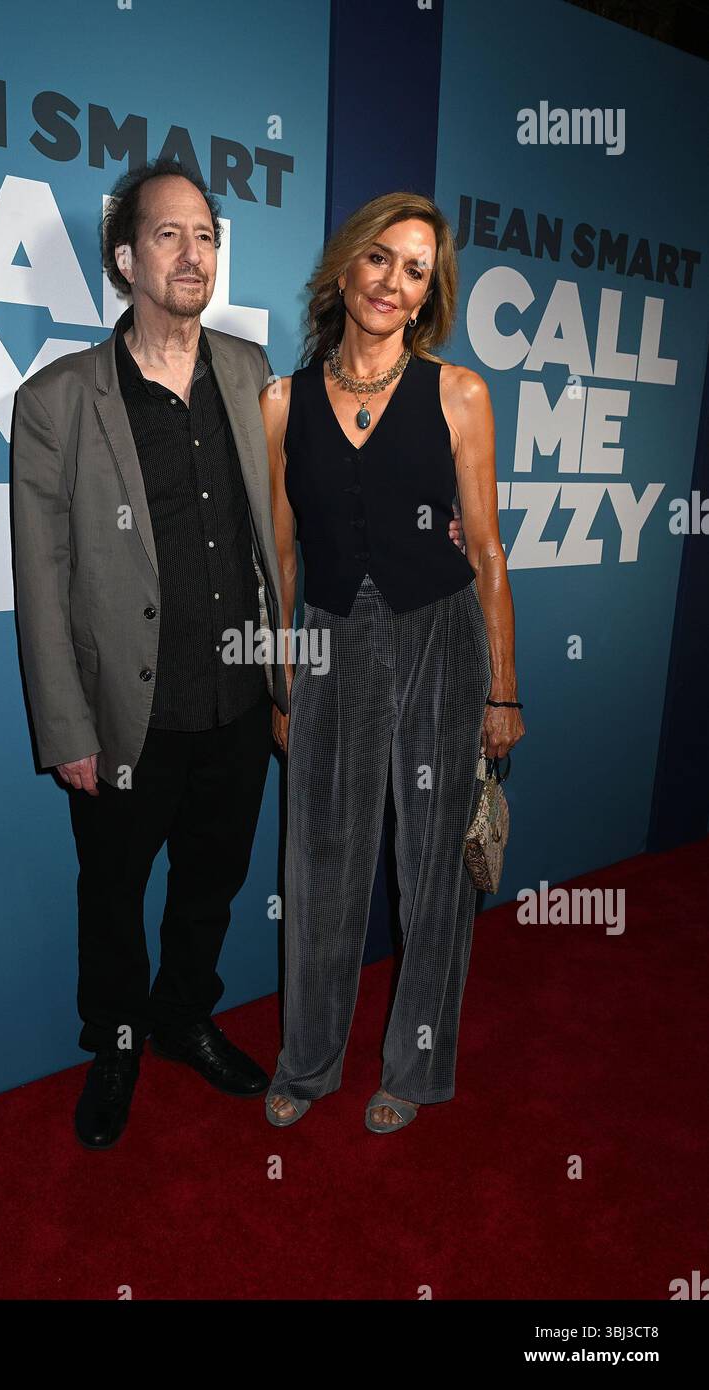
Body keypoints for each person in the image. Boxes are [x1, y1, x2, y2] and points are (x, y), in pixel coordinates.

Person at [11, 159, 289, 1150]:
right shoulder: (57, 400)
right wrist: (66, 728)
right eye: (167, 234)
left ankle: (183, 1016)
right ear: (125, 258)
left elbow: (279, 541)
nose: (192, 252)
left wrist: (285, 679)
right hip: (125, 715)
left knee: (212, 882)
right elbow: (40, 584)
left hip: (237, 701)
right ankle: (118, 1039)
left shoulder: (252, 373)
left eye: (205, 234)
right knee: (114, 894)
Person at [260, 191, 525, 1134]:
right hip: (330, 641)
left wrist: (504, 686)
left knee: (433, 869)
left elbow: (487, 550)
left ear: (427, 296)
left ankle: (414, 1070)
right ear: (345, 267)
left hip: (443, 635)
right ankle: (310, 1059)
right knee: (321, 857)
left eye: (416, 270)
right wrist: (283, 678)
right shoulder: (282, 402)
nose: (394, 282)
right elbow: (283, 559)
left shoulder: (459, 393)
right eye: (381, 259)